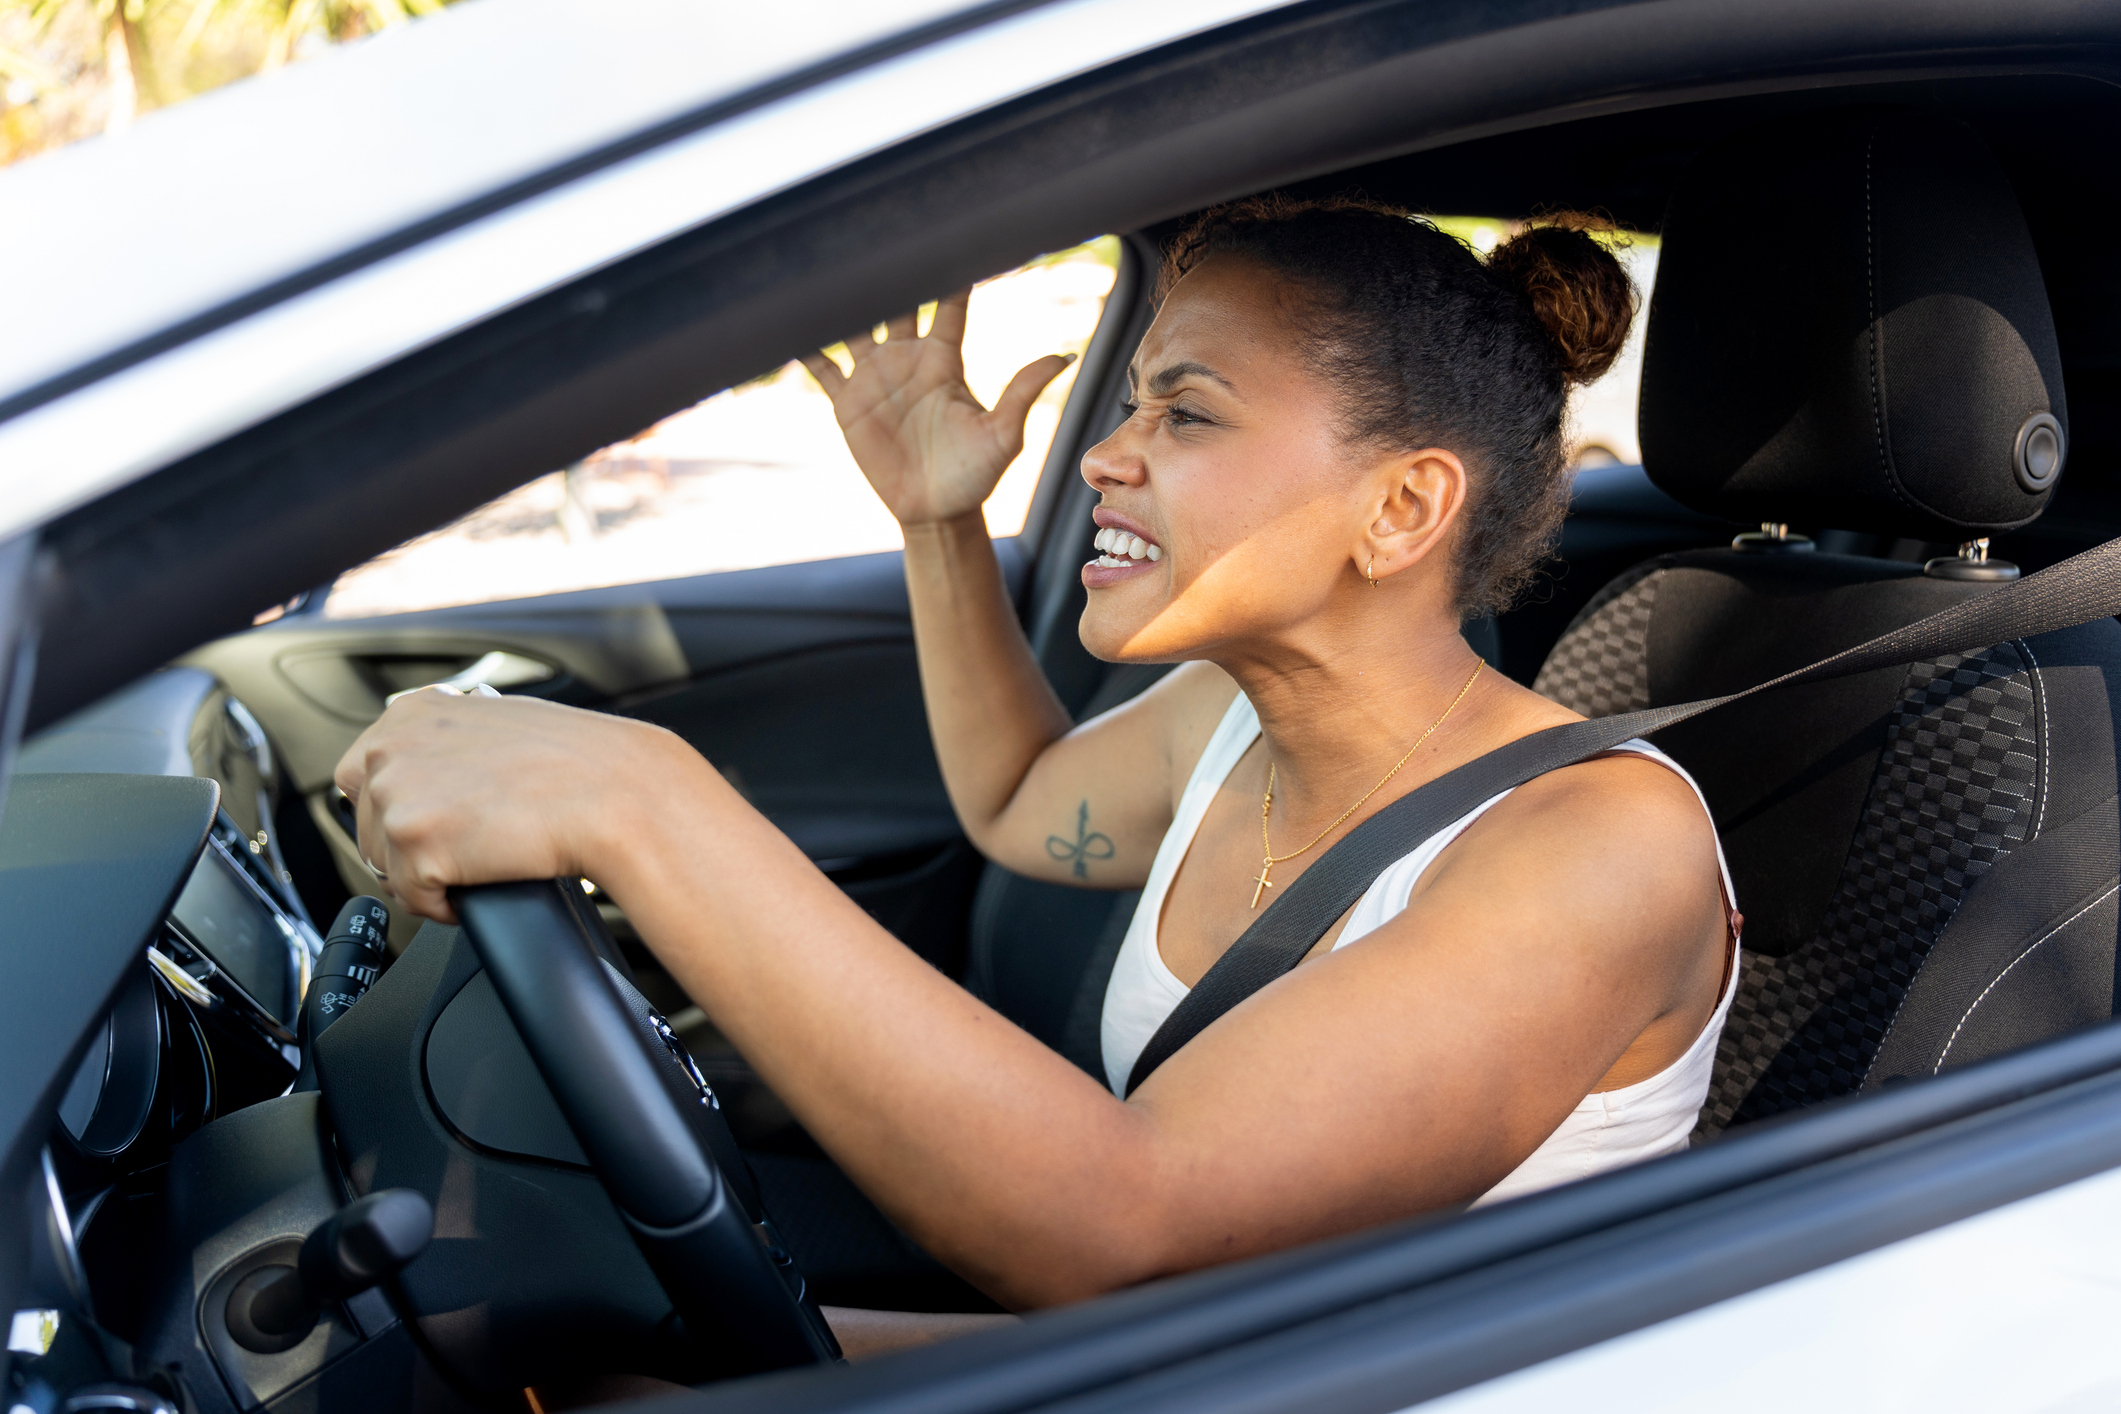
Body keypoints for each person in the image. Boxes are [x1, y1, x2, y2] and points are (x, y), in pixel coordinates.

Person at [336, 195, 1738, 1331]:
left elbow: (1121, 1228)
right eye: (1126, 406)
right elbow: (1015, 804)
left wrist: (639, 800)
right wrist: (942, 521)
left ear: (1403, 506)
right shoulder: (1225, 715)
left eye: (1184, 414)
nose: (1103, 458)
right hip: (1213, 1355)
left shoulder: (1595, 849)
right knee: (519, 1342)